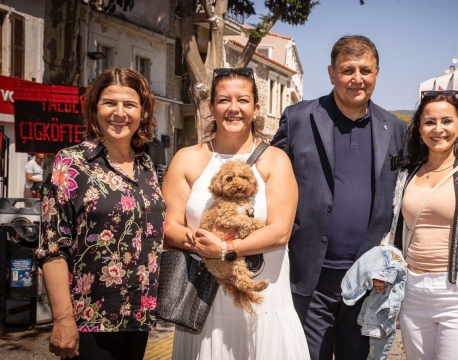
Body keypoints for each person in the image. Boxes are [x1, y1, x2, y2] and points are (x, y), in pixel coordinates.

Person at [270, 35, 407, 359]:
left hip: (367, 279)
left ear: (376, 73)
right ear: (332, 73)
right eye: (348, 70)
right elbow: (267, 178)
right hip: (308, 279)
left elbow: (404, 198)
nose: (357, 79)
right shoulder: (299, 118)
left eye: (365, 70)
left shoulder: (396, 129)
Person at [163, 67, 308, 359]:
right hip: (204, 300)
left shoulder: (276, 160)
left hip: (265, 300)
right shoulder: (186, 159)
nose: (233, 108)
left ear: (256, 109)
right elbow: (167, 227)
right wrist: (201, 242)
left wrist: (227, 248)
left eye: (242, 100)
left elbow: (281, 231)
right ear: (211, 108)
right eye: (223, 100)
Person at [36, 68, 166, 359]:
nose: (119, 113)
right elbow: (53, 248)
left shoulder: (147, 166)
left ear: (143, 113)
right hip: (89, 320)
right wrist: (62, 320)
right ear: (94, 109)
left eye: (130, 105)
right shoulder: (70, 163)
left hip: (139, 318)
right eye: (109, 103)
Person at [378, 90, 458, 359]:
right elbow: (393, 232)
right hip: (412, 290)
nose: (438, 129)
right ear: (420, 129)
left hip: (457, 293)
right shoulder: (406, 173)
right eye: (429, 122)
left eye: (447, 121)